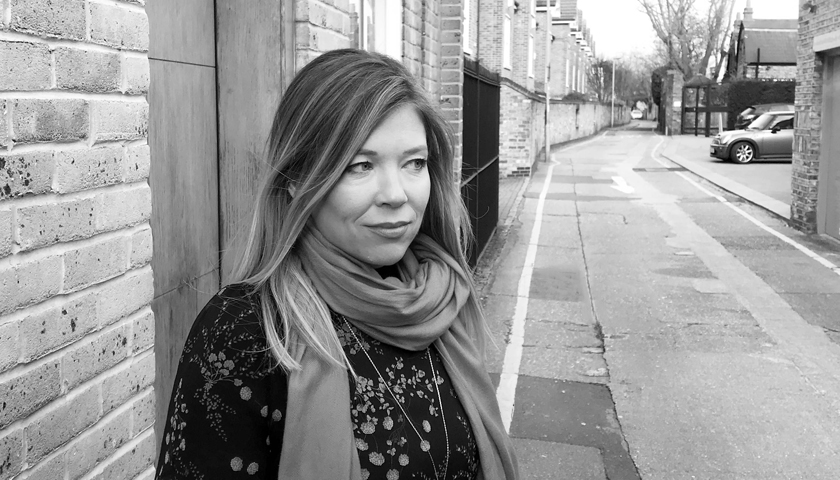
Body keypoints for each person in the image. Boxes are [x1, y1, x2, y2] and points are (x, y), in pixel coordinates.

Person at [155, 49, 519, 480]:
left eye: (414, 163)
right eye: (361, 166)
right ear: (297, 179)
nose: (396, 194)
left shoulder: (439, 300)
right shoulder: (246, 333)